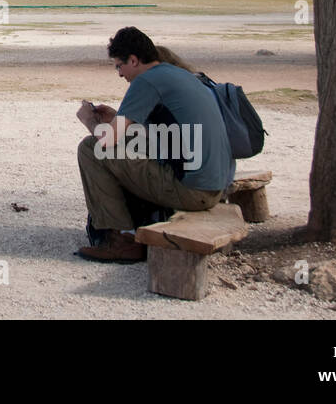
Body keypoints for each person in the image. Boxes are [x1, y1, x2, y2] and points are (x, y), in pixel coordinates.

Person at [74, 26, 235, 263]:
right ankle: (125, 233)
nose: (120, 74)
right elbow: (160, 134)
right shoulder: (176, 74)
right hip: (214, 186)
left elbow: (106, 143)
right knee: (117, 147)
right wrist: (116, 117)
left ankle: (122, 240)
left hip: (192, 191)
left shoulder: (145, 82)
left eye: (120, 66)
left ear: (134, 59)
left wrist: (89, 121)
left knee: (90, 148)